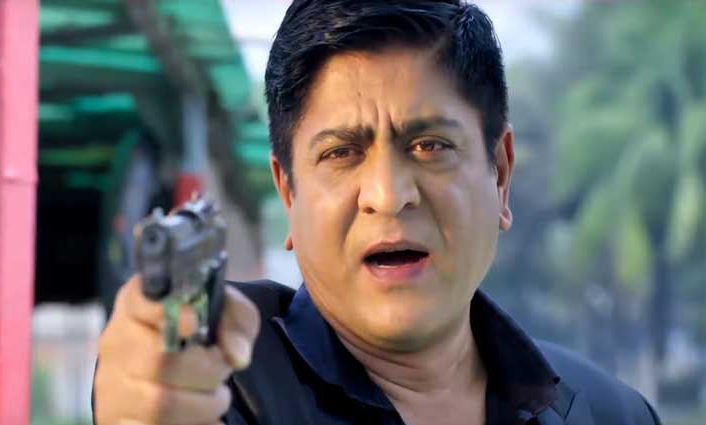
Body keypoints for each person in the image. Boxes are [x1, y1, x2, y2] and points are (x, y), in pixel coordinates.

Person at [93, 1, 663, 424]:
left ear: (500, 175)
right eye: (341, 153)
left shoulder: (615, 413)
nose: (388, 196)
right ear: (289, 194)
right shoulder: (221, 383)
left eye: (430, 146)